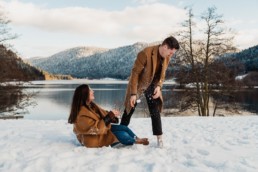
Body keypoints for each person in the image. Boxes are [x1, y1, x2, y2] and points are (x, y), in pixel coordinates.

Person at [120, 36, 179, 148]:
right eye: (171, 52)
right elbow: (135, 74)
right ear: (165, 47)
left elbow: (162, 75)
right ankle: (119, 135)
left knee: (155, 110)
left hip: (153, 85)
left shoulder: (167, 56)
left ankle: (160, 139)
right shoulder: (145, 53)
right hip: (139, 84)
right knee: (129, 109)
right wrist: (133, 94)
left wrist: (158, 86)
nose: (171, 55)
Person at [68, 84, 149, 148]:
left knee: (123, 128)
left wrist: (112, 116)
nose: (93, 91)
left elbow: (103, 114)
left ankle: (137, 138)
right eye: (90, 90)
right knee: (121, 134)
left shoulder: (91, 105)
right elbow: (95, 129)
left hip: (101, 130)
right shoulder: (81, 114)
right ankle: (135, 141)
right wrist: (109, 117)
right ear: (85, 95)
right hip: (92, 139)